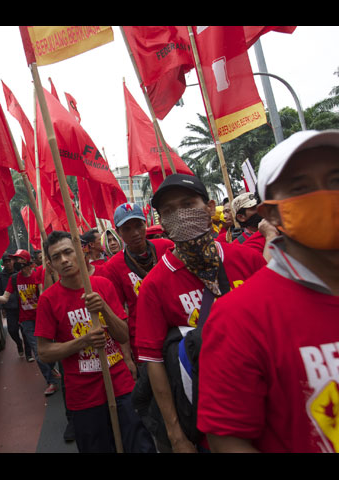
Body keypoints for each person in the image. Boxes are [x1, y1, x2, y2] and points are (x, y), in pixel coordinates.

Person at [197, 129, 339, 453]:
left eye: (336, 178)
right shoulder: (239, 318)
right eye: (301, 188)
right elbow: (228, 438)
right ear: (271, 213)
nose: (326, 195)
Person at [135, 174, 266, 453]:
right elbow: (153, 361)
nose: (180, 216)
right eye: (169, 212)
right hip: (208, 424)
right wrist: (176, 435)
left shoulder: (249, 260)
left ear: (209, 208)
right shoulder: (155, 285)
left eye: (188, 204)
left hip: (268, 408)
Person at [35, 230, 156, 453]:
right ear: (50, 265)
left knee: (140, 446)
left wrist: (104, 310)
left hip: (120, 385)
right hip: (83, 397)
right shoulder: (48, 300)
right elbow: (43, 352)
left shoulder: (102, 286)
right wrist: (83, 341)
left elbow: (122, 334)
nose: (63, 260)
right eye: (56, 257)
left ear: (80, 253)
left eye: (67, 252)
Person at [99, 203, 174, 364]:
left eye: (138, 225)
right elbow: (119, 314)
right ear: (118, 232)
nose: (135, 233)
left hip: (176, 330)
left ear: (145, 225)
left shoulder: (166, 247)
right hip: (143, 340)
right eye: (126, 229)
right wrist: (127, 357)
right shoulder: (112, 267)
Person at [0, 249, 58, 395]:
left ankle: (51, 366)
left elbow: (43, 296)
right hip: (26, 321)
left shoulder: (37, 275)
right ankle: (51, 382)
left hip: (42, 318)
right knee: (38, 352)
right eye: (14, 260)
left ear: (27, 262)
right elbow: (4, 298)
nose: (15, 263)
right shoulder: (14, 279)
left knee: (50, 348)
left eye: (18, 259)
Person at [0, 252, 31, 360]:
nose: (8, 264)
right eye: (5, 262)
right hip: (10, 308)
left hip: (23, 306)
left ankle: (28, 354)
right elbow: (1, 292)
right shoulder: (1, 276)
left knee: (25, 330)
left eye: (9, 261)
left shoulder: (20, 272)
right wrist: (2, 308)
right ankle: (19, 343)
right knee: (12, 330)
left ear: (13, 261)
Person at [232, 192, 280, 260]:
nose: (260, 209)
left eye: (260, 204)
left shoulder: (278, 227)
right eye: (254, 208)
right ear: (241, 217)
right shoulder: (238, 246)